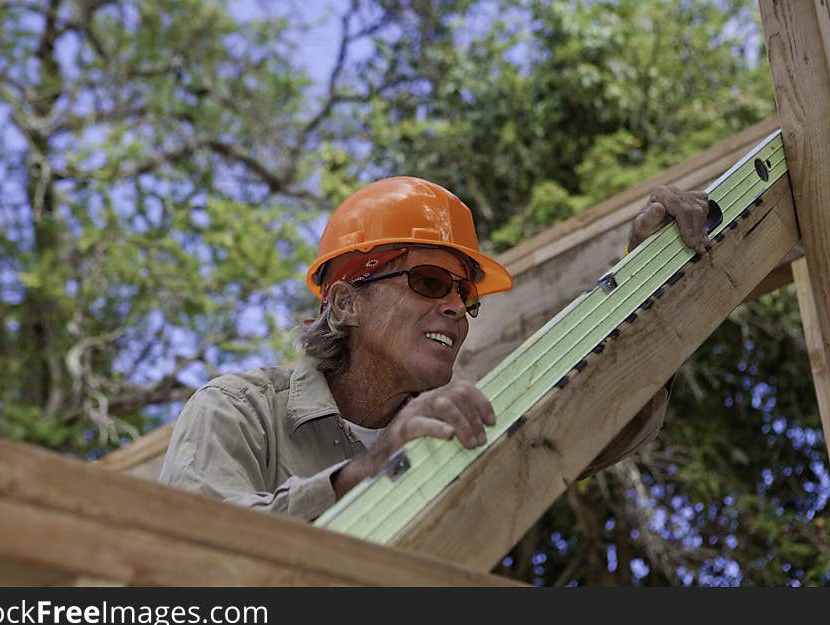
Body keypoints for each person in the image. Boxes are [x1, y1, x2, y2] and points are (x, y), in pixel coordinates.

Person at [159, 177, 709, 521]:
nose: (453, 306)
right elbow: (190, 556)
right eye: (427, 281)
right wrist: (374, 468)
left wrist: (646, 275)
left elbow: (608, 418)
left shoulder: (464, 427)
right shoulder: (238, 411)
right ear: (346, 303)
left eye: (464, 293)